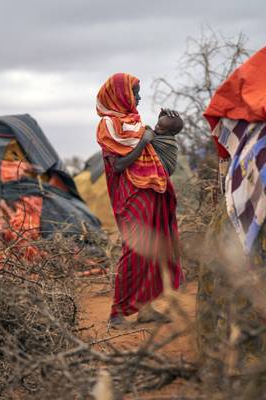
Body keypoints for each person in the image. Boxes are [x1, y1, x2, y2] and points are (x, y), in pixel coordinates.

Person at [96, 72, 184, 327]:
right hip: (131, 195)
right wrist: (142, 142)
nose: (139, 97)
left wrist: (164, 127)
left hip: (151, 193)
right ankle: (117, 312)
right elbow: (120, 165)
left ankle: (146, 308)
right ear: (121, 95)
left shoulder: (134, 123)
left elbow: (158, 155)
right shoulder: (109, 126)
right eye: (134, 93)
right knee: (135, 251)